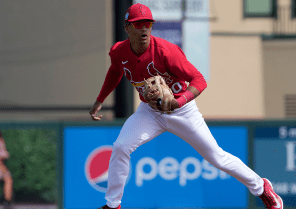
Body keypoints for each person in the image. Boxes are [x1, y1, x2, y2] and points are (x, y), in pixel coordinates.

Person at [89, 3, 284, 209]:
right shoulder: (119, 51)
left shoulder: (166, 51)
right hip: (149, 111)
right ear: (127, 27)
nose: (144, 28)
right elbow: (115, 71)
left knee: (216, 157)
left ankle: (262, 188)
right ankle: (113, 205)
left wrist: (178, 101)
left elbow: (199, 80)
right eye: (138, 25)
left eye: (148, 23)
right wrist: (100, 100)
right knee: (121, 147)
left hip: (181, 109)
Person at [0, 131, 13, 209]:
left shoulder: (1, 141)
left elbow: (5, 153)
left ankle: (7, 202)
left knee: (8, 179)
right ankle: (7, 202)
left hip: (1, 166)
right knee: (8, 179)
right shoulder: (1, 141)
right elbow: (4, 154)